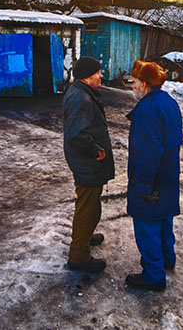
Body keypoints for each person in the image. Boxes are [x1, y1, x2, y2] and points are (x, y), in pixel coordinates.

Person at [125, 60, 183, 292]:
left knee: (147, 224)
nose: (132, 87)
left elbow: (148, 152)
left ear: (145, 84)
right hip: (169, 174)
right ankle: (167, 259)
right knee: (163, 219)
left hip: (153, 177)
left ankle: (153, 275)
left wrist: (143, 186)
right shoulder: (168, 102)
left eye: (135, 82)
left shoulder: (148, 109)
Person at [61, 56, 115, 273]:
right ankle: (79, 256)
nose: (101, 75)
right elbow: (76, 135)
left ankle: (85, 237)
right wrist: (96, 151)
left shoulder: (82, 93)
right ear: (86, 76)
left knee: (90, 204)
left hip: (86, 161)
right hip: (87, 161)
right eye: (97, 73)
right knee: (87, 207)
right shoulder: (80, 98)